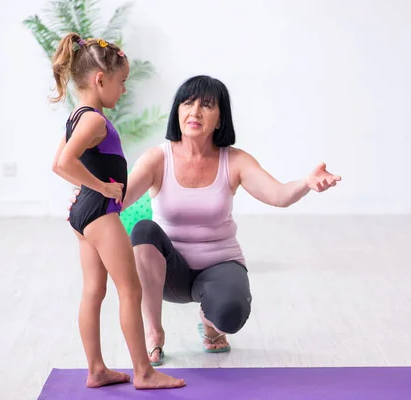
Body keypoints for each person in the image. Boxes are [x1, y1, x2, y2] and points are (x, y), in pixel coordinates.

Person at [68, 75, 341, 366]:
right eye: (188, 103)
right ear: (178, 111)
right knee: (144, 230)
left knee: (230, 314)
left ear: (220, 119)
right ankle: (154, 333)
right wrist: (87, 196)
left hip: (220, 264)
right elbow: (118, 198)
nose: (195, 111)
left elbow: (278, 195)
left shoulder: (234, 161)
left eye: (207, 105)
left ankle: (211, 324)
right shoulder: (158, 158)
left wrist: (306, 183)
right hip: (167, 271)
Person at [50, 32, 185, 390]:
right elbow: (64, 164)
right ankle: (144, 372)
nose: (123, 90)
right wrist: (102, 189)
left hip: (83, 216)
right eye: (122, 82)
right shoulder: (94, 120)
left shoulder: (76, 119)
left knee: (94, 290)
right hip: (100, 213)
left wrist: (84, 192)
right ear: (100, 80)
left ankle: (96, 370)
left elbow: (59, 163)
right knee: (131, 290)